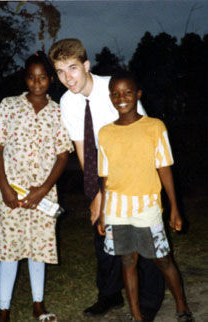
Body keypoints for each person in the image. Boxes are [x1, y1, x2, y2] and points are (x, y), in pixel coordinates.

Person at [48, 38, 165, 320]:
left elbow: (144, 135)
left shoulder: (115, 88)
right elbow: (81, 146)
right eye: (61, 72)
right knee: (104, 239)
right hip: (101, 174)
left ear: (86, 65)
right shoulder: (67, 101)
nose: (68, 78)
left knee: (143, 239)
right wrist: (95, 192)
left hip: (134, 172)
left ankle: (149, 302)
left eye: (73, 68)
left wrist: (110, 189)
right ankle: (109, 296)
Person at [97, 71, 194, 322]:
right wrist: (102, 213)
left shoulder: (154, 126)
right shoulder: (105, 133)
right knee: (127, 261)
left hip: (147, 207)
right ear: (110, 97)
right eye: (115, 93)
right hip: (117, 210)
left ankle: (182, 306)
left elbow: (164, 168)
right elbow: (104, 177)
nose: (121, 98)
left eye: (128, 92)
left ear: (138, 95)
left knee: (162, 259)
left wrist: (174, 208)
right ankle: (137, 315)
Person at [0, 52, 73, 322]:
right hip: (11, 192)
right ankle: (4, 309)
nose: (37, 82)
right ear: (25, 79)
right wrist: (5, 187)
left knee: (38, 249)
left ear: (50, 80)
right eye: (32, 77)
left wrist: (44, 189)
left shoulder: (58, 111)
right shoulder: (9, 105)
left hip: (43, 194)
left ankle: (38, 304)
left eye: (43, 77)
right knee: (10, 251)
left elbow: (63, 154)